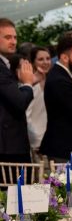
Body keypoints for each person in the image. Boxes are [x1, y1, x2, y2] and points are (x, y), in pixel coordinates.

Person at [0, 18, 34, 166]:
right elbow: (19, 103)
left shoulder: (5, 64)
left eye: (14, 37)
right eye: (7, 37)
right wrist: (28, 83)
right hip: (8, 148)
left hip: (9, 145)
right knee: (18, 189)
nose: (13, 41)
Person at [26, 46, 51, 153]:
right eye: (40, 59)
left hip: (52, 140)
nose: (45, 62)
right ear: (32, 62)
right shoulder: (29, 85)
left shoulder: (53, 82)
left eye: (48, 58)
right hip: (36, 143)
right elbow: (27, 115)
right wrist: (35, 140)